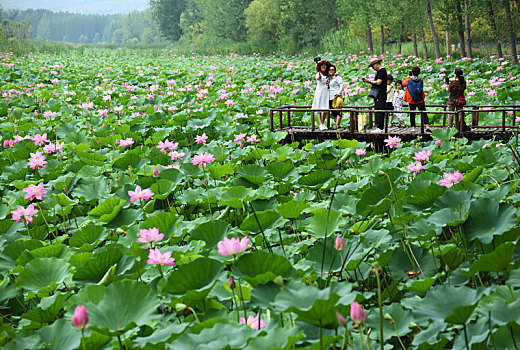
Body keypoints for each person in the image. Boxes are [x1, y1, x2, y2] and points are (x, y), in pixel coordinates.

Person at [362, 58, 387, 132]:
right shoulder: (380, 71)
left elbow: (378, 82)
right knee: (377, 109)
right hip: (379, 94)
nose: (373, 68)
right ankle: (379, 127)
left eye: (373, 67)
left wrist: (368, 81)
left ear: (376, 64)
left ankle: (380, 128)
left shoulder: (382, 71)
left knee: (379, 109)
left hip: (381, 94)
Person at [403, 66, 431, 132]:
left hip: (411, 100)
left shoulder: (409, 80)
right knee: (424, 112)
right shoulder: (421, 80)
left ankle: (413, 127)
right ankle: (427, 126)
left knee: (412, 113)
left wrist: (408, 77)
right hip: (420, 99)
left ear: (412, 73)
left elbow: (403, 84)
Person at [312, 60, 331, 130]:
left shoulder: (328, 74)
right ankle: (321, 124)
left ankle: (322, 123)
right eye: (322, 65)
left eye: (324, 65)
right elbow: (317, 78)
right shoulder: (318, 74)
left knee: (326, 108)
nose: (323, 67)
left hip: (326, 92)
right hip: (320, 92)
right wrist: (318, 78)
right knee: (318, 107)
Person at [328, 64, 344, 129]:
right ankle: (336, 125)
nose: (331, 71)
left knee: (338, 110)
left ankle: (337, 125)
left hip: (337, 96)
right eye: (330, 70)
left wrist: (338, 93)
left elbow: (341, 85)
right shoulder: (328, 78)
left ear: (335, 70)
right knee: (333, 111)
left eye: (332, 70)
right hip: (330, 96)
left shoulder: (337, 77)